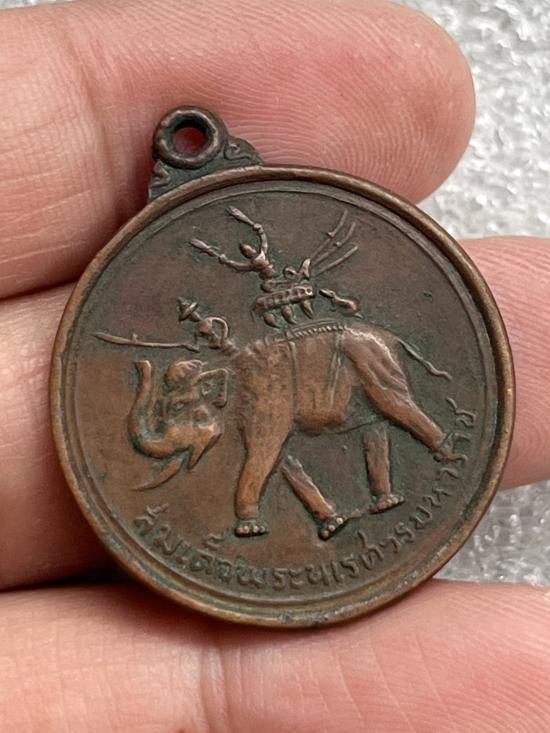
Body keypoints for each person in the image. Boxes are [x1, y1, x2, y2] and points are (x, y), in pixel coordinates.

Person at [0, 0, 548, 730]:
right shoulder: (256, 363)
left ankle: (353, 477)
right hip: (299, 375)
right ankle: (368, 487)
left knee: (318, 432)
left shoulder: (268, 363)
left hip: (307, 374)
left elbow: (265, 421)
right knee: (353, 425)